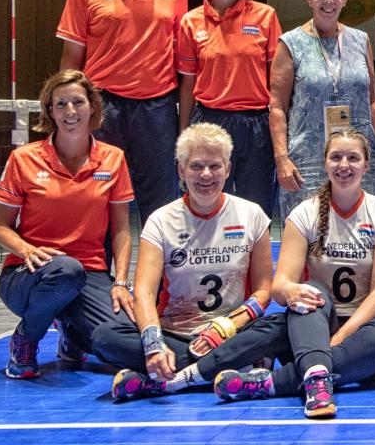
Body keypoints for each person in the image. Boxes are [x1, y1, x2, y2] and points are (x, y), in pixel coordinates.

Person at [213, 130, 375, 418]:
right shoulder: (305, 213)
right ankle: (321, 371)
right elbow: (281, 285)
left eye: (353, 158)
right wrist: (291, 291)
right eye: (336, 157)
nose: (344, 165)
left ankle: (273, 382)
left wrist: (337, 341)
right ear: (325, 163)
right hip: (312, 325)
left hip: (362, 331)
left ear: (367, 165)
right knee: (310, 290)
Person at [92, 123, 280, 400]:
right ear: (181, 170)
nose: (206, 175)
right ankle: (223, 369)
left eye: (215, 166)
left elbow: (265, 289)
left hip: (231, 331)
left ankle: (165, 381)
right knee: (105, 337)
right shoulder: (161, 220)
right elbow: (143, 291)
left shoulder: (251, 215)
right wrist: (154, 344)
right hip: (175, 335)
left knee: (282, 326)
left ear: (228, 169)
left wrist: (225, 327)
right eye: (196, 166)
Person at [0, 69, 136, 378]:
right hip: (29, 273)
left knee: (126, 342)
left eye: (77, 102)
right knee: (65, 271)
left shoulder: (113, 159)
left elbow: (122, 229)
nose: (70, 111)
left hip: (89, 275)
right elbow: (0, 228)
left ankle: (73, 333)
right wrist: (26, 249)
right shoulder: (23, 159)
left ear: (92, 108)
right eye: (61, 104)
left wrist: (121, 282)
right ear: (50, 112)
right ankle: (26, 339)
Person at [57, 0, 188, 226]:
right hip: (103, 108)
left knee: (161, 206)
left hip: (158, 111)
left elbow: (185, 59)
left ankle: (159, 277)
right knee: (95, 197)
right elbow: (72, 58)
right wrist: (63, 110)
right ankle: (97, 276)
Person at [177, 0, 281, 220]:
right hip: (209, 122)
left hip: (256, 126)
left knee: (256, 210)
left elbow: (277, 84)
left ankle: (255, 266)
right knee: (204, 206)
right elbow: (187, 85)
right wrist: (184, 133)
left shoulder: (266, 17)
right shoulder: (191, 21)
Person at [269, 0, 375, 220]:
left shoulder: (360, 39)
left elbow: (373, 101)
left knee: (364, 231)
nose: (328, 0)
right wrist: (281, 159)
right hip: (308, 162)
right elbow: (277, 107)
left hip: (359, 160)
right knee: (308, 237)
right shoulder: (290, 43)